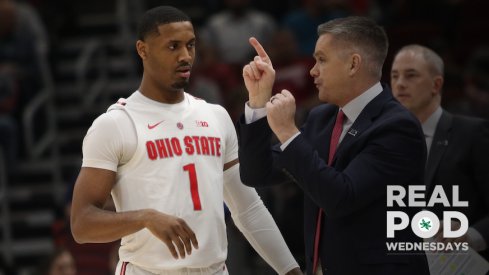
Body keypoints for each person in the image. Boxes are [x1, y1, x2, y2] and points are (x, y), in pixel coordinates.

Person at [70, 6, 301, 275]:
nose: (185, 56)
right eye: (173, 46)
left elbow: (247, 208)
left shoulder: (215, 116)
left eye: (190, 45)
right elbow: (82, 224)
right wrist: (145, 218)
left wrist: (291, 271)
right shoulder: (116, 124)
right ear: (142, 50)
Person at [237, 16, 430, 274]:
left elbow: (340, 198)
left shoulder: (396, 126)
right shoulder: (322, 118)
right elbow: (256, 173)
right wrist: (259, 102)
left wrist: (287, 132)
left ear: (353, 64)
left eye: (322, 59)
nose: (312, 70)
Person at [390, 44, 489, 260]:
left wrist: (470, 236)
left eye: (411, 75)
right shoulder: (383, 142)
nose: (399, 84)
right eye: (394, 76)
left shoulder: (471, 133)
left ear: (436, 84)